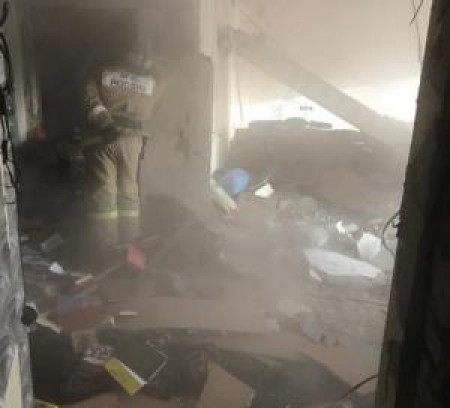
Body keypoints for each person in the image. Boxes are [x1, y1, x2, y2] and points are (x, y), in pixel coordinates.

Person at [83, 51, 164, 252]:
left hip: (103, 138)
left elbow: (90, 101)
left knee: (104, 193)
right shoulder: (151, 80)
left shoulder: (102, 73)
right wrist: (148, 64)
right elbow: (162, 80)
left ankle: (106, 248)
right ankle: (131, 245)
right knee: (129, 191)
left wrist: (106, 123)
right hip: (133, 140)